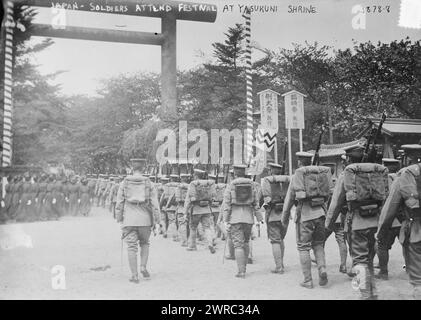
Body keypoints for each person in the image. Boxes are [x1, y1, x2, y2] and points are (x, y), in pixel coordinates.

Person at [326, 146, 388, 300]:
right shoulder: (378, 173)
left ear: (348, 159)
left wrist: (328, 225)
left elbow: (336, 204)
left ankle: (365, 295)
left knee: (360, 261)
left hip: (357, 223)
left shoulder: (347, 175)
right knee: (369, 260)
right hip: (376, 223)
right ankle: (372, 292)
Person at [282, 151, 332, 289]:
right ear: (309, 161)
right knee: (318, 244)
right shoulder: (321, 174)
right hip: (321, 213)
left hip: (305, 215)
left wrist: (285, 218)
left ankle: (308, 280)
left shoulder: (298, 175)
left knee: (303, 247)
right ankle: (322, 268)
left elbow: (290, 199)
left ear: (299, 162)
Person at [377, 144, 421, 299]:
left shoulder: (406, 174)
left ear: (407, 157)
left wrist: (381, 230)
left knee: (418, 281)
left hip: (416, 228)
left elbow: (390, 208)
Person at [115, 158, 161, 283]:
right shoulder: (149, 184)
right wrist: (157, 220)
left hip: (129, 220)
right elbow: (155, 205)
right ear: (143, 168)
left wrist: (119, 218)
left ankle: (134, 275)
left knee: (131, 247)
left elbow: (119, 203)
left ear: (132, 167)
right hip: (145, 220)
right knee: (145, 243)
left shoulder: (124, 183)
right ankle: (143, 267)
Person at [222, 164, 263, 278]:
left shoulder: (231, 185)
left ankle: (241, 271)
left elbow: (227, 204)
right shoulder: (252, 184)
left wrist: (225, 220)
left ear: (235, 173)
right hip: (249, 218)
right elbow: (256, 203)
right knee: (245, 242)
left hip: (235, 218)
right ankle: (244, 267)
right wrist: (259, 218)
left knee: (238, 245)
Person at [374, 158, 402, 280]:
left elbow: (387, 200)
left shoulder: (386, 179)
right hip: (403, 218)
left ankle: (383, 272)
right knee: (408, 246)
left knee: (381, 245)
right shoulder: (402, 177)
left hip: (391, 219)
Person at [261, 163, 290, 274]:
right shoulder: (287, 181)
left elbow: (262, 198)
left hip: (273, 215)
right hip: (285, 215)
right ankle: (281, 263)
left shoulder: (267, 181)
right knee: (281, 239)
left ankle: (279, 267)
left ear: (271, 170)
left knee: (275, 241)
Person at [183, 169, 217, 254]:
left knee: (193, 227)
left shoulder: (193, 184)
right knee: (207, 228)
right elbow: (213, 197)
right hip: (207, 209)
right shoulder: (209, 184)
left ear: (196, 176)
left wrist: (185, 212)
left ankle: (192, 246)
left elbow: (188, 199)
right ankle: (210, 243)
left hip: (196, 209)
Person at [163, 173, 180, 241]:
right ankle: (176, 233)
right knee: (176, 221)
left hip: (169, 205)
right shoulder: (179, 185)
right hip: (178, 206)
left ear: (171, 178)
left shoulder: (167, 185)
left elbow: (164, 197)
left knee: (170, 221)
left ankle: (174, 235)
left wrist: (163, 205)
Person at [175, 173, 190, 247]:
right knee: (189, 225)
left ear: (181, 178)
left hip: (181, 208)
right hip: (190, 208)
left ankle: (184, 241)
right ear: (187, 178)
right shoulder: (191, 186)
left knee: (182, 224)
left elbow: (177, 199)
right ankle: (189, 240)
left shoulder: (178, 187)